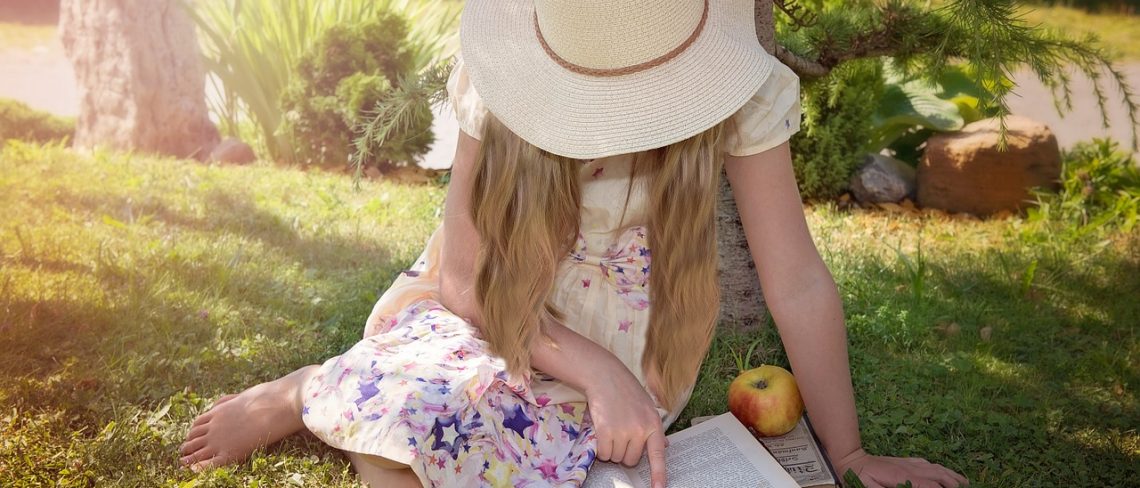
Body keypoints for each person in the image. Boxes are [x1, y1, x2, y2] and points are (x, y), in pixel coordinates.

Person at [179, 1, 971, 487]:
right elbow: (463, 276)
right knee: (430, 411)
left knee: (507, 446)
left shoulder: (741, 91)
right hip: (494, 310)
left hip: (633, 336)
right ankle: (311, 389)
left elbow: (795, 280)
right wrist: (590, 371)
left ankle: (347, 399)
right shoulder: (496, 73)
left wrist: (853, 452)